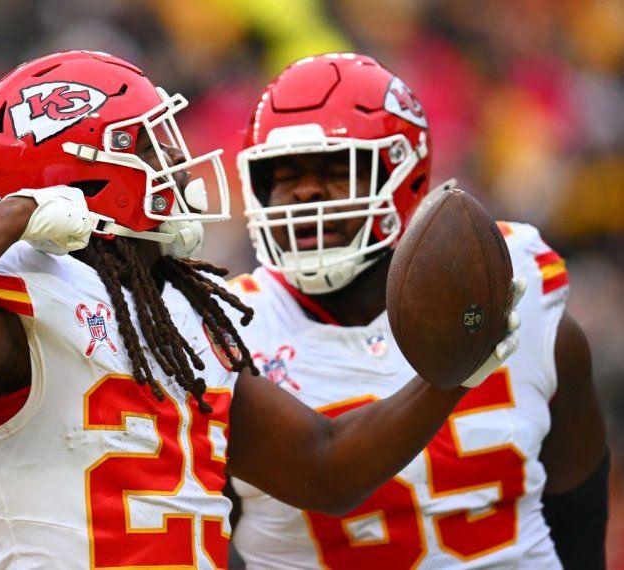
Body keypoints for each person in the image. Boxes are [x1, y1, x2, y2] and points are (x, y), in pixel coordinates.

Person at [0, 50, 520, 569]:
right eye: (147, 142)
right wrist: (15, 218)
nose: (177, 159)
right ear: (80, 177)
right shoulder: (20, 293)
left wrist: (450, 375)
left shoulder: (176, 311)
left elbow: (323, 467)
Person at [228, 53, 608, 569]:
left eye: (338, 168)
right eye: (283, 173)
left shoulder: (509, 281)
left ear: (405, 178)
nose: (307, 191)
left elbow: (578, 500)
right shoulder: (228, 329)